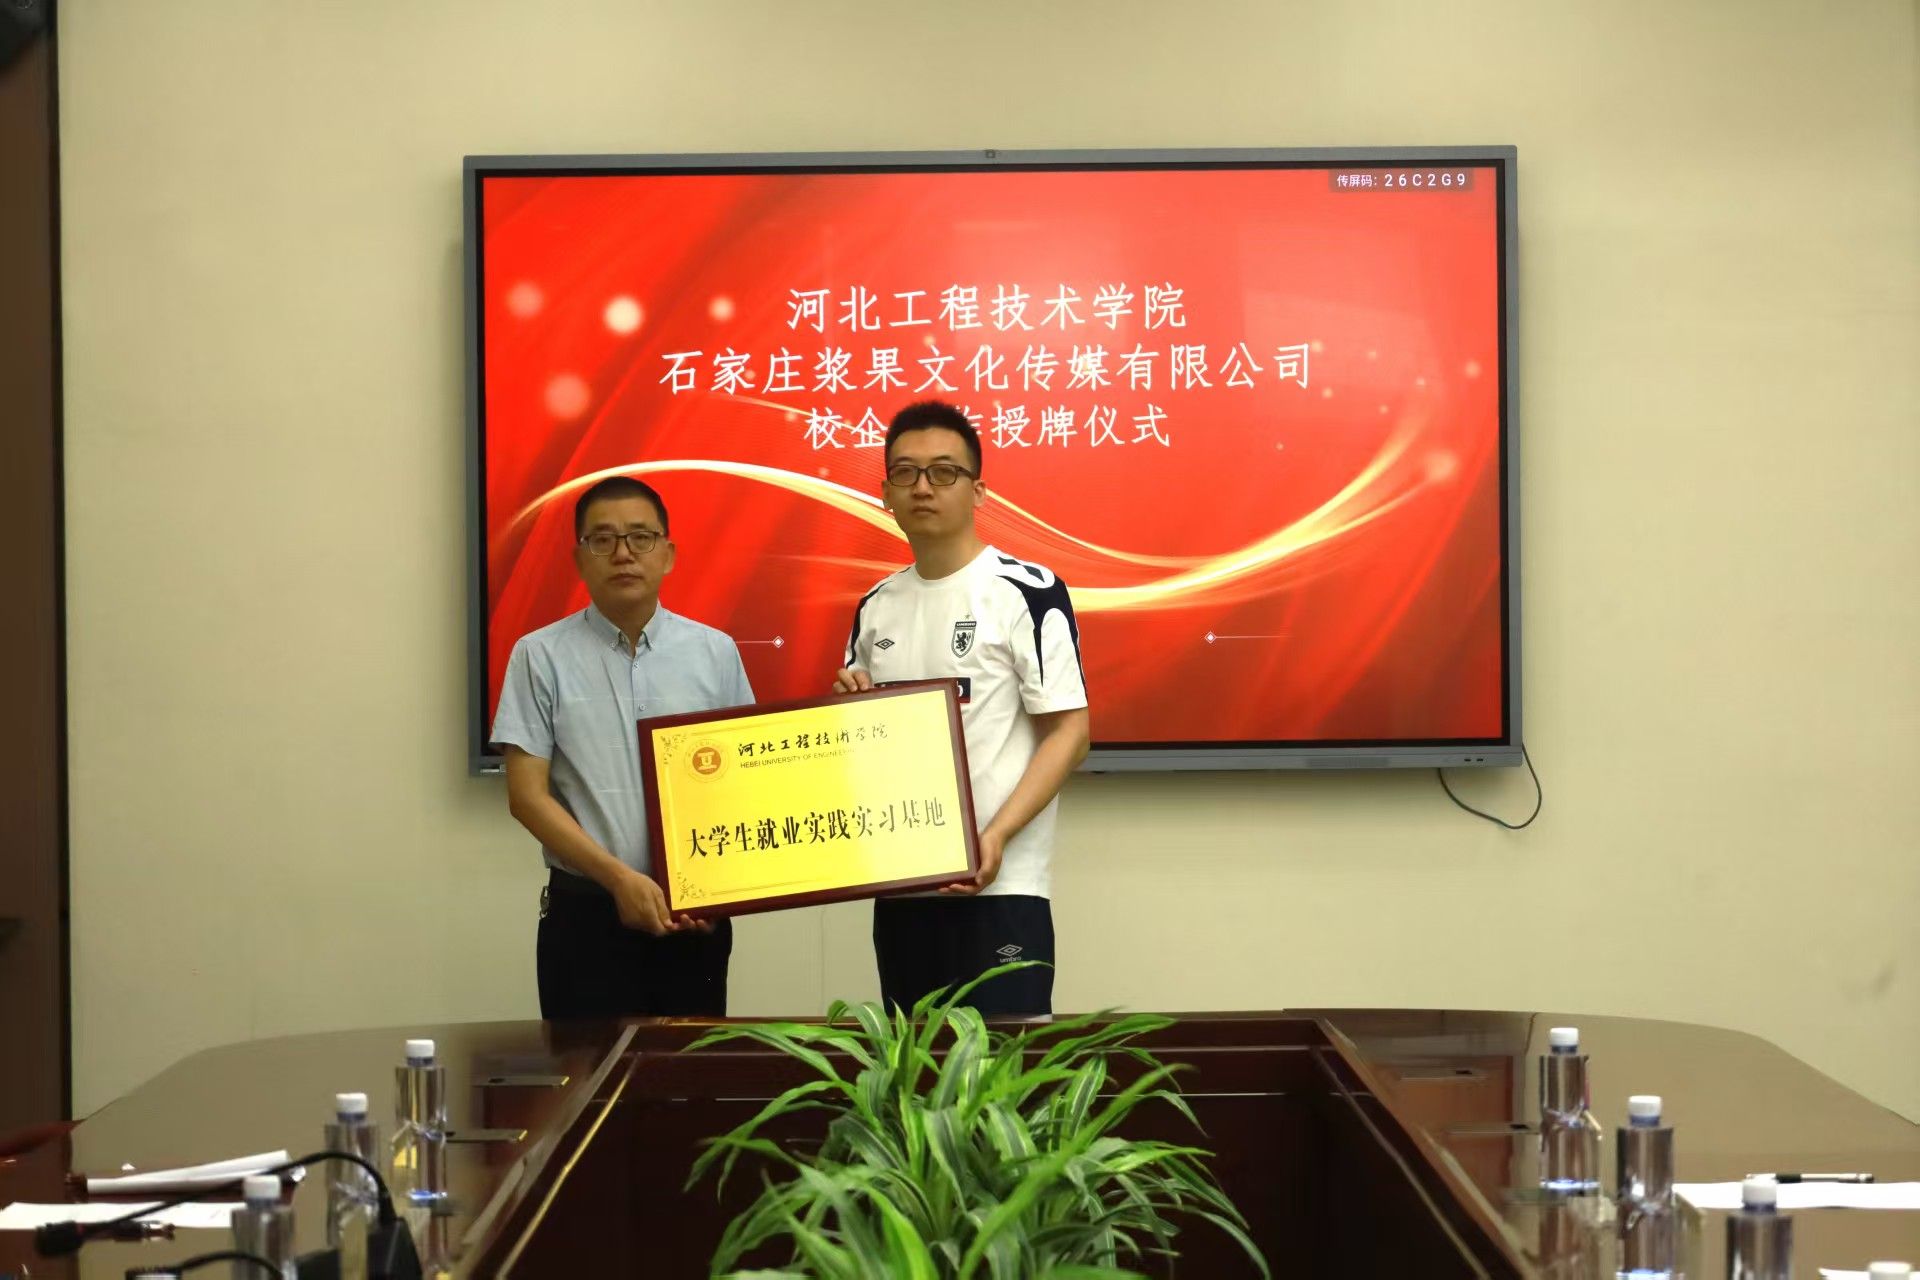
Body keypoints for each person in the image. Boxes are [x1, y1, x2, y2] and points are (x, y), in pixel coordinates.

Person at [834, 400, 1090, 1016]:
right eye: (905, 472)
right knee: (908, 1072)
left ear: (978, 491)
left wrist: (995, 836)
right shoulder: (875, 606)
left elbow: (1070, 733)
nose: (923, 487)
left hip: (1001, 890)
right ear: (886, 493)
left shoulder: (1026, 591)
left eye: (944, 472)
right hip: (902, 890)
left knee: (1003, 1071)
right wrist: (847, 714)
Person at [492, 475, 753, 1019]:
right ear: (579, 558)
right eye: (603, 539)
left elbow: (742, 783)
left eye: (641, 537)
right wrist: (618, 879)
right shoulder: (539, 655)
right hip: (585, 915)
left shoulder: (716, 652)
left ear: (668, 554)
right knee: (584, 1071)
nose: (623, 554)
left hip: (693, 915)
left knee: (689, 1068)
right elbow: (526, 796)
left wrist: (720, 887)